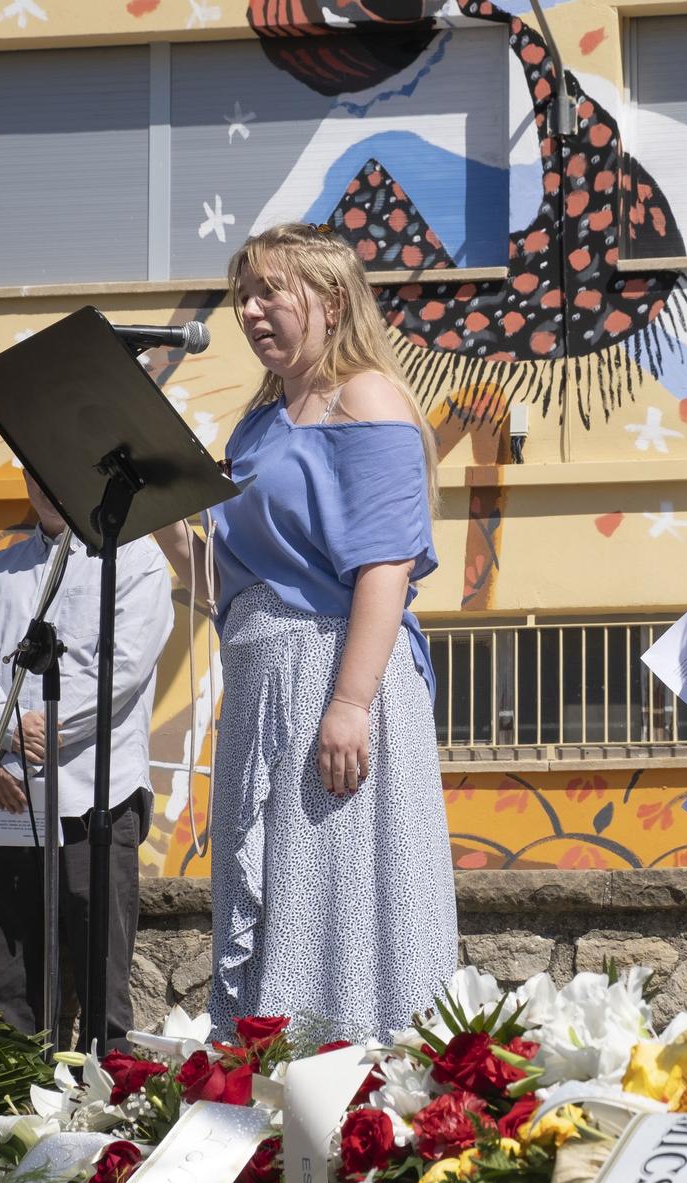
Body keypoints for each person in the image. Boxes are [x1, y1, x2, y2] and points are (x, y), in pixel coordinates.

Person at [166, 221, 456, 1042]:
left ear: (330, 298)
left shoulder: (366, 397)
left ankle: (360, 1072)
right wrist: (155, 511)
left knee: (339, 892)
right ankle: (271, 1073)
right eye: (243, 296)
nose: (252, 311)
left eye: (270, 292)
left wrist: (351, 703)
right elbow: (223, 582)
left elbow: (386, 565)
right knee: (282, 888)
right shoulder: (258, 426)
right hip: (264, 683)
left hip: (336, 674)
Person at [0, 472, 173, 1047]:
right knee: (8, 986)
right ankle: (10, 1115)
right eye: (31, 470)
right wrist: (10, 726)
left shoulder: (134, 559)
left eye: (54, 467)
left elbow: (121, 670)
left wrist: (43, 729)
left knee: (103, 985)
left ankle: (108, 1117)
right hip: (9, 797)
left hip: (95, 794)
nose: (44, 481)